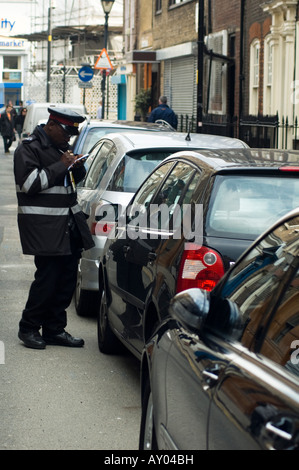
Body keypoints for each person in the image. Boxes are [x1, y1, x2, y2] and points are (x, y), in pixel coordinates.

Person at [14, 107, 95, 350]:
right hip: (45, 227)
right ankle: (28, 327)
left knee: (66, 281)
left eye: (71, 134)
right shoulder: (29, 148)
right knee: (47, 280)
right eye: (66, 132)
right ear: (51, 125)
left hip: (68, 225)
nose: (68, 138)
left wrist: (76, 166)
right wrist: (61, 165)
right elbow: (30, 184)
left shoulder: (61, 149)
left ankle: (54, 329)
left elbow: (66, 183)